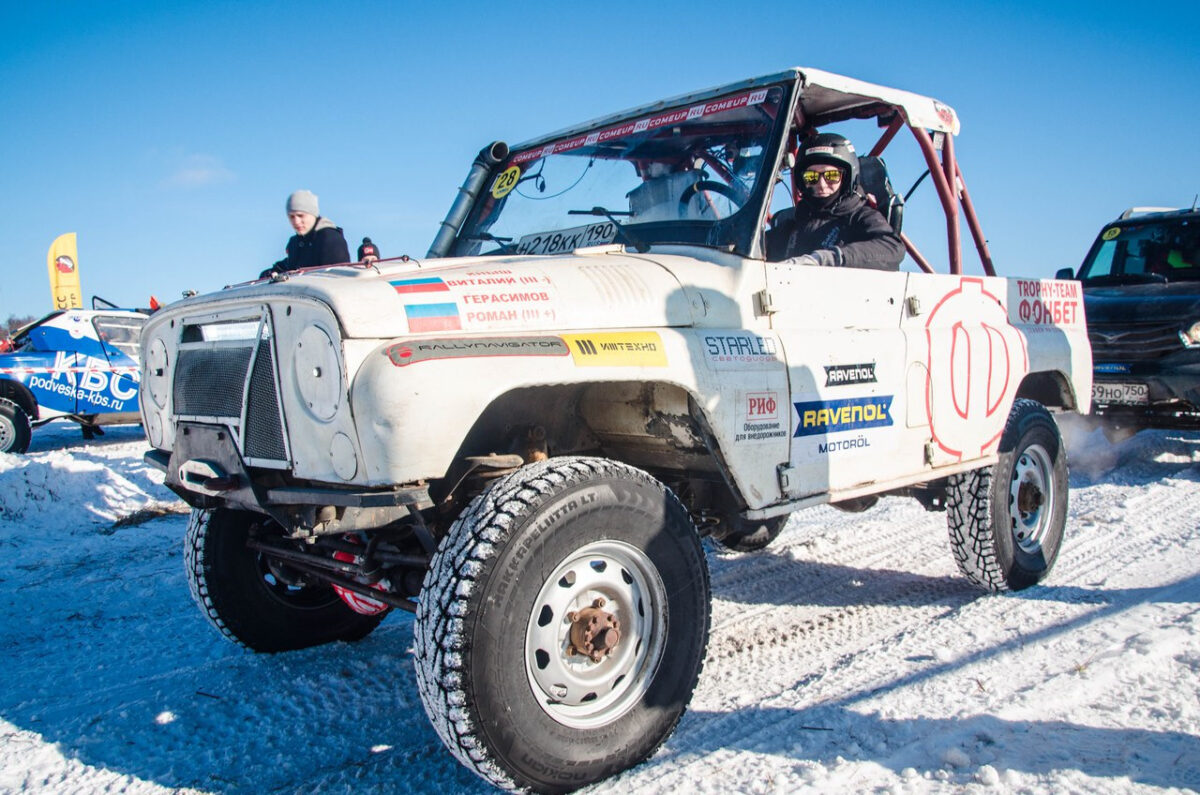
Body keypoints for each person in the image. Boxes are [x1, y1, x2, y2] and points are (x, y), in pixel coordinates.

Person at [765, 133, 904, 271]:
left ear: (847, 178)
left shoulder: (860, 216)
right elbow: (752, 247)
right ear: (802, 181)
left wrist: (829, 258)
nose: (821, 184)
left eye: (831, 176)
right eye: (811, 177)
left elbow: (892, 248)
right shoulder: (793, 224)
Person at [261, 190, 350, 278]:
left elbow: (339, 277)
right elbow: (290, 264)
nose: (296, 221)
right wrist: (272, 272)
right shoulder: (296, 242)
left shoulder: (330, 239)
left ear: (313, 213)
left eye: (300, 215)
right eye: (291, 217)